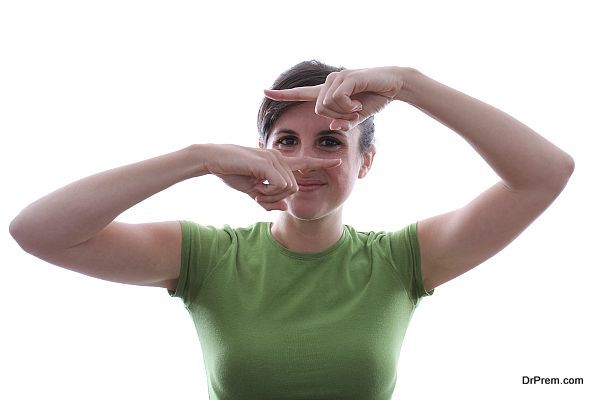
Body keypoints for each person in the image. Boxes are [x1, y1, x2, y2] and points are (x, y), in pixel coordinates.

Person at [9, 59, 574, 399]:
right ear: (260, 153)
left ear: (365, 162)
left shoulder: (403, 261)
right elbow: (38, 231)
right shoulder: (205, 256)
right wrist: (197, 157)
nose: (304, 160)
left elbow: (544, 174)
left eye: (330, 141)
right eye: (286, 141)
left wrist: (408, 83)